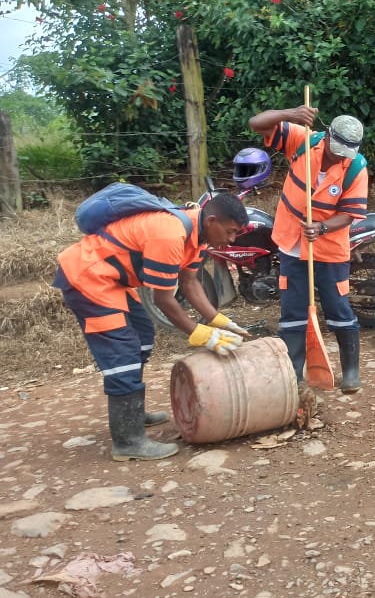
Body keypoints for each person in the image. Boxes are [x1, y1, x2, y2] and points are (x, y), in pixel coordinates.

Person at [54, 192, 251, 461]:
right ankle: (128, 441)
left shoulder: (198, 237)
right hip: (88, 277)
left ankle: (132, 413)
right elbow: (163, 299)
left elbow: (190, 282)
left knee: (143, 336)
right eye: (230, 232)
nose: (231, 240)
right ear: (212, 220)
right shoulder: (170, 234)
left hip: (114, 280)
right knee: (122, 352)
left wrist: (219, 320)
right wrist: (199, 333)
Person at [248, 105, 369, 394]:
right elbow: (256, 123)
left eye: (346, 152)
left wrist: (323, 227)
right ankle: (294, 374)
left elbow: (351, 214)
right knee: (293, 311)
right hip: (291, 242)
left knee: (338, 308)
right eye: (336, 149)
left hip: (329, 248)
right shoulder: (304, 141)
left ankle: (351, 370)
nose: (339, 156)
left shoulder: (355, 168)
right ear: (327, 137)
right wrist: (289, 114)